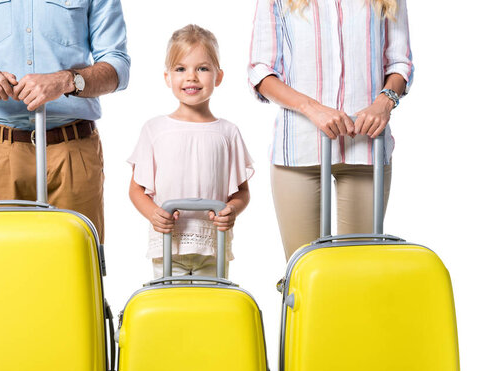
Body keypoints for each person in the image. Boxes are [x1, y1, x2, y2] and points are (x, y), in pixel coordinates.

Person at [0, 0, 131, 243]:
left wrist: (67, 80)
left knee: (76, 259)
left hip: (73, 147)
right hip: (2, 150)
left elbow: (118, 66)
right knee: (7, 263)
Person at [248, 0, 413, 259]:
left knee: (359, 270)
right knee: (303, 270)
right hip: (300, 149)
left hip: (366, 147)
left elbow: (399, 62)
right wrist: (313, 108)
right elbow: (261, 72)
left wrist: (384, 101)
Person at [128, 25, 254, 279]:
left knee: (211, 308)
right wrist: (154, 214)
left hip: (212, 247)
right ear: (167, 77)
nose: (191, 77)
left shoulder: (228, 132)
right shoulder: (154, 129)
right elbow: (136, 189)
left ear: (218, 76)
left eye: (202, 68)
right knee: (170, 308)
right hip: (167, 245)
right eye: (181, 69)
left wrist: (232, 211)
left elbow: (241, 192)